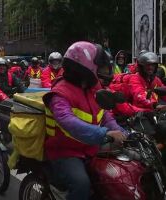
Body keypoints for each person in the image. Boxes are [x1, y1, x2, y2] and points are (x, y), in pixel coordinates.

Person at [43, 41, 127, 200]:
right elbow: (66, 120)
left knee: (117, 177)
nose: (105, 72)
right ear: (85, 68)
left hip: (90, 148)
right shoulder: (59, 93)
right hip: (64, 151)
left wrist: (124, 134)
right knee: (81, 184)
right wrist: (105, 133)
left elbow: (105, 115)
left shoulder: (92, 89)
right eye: (100, 68)